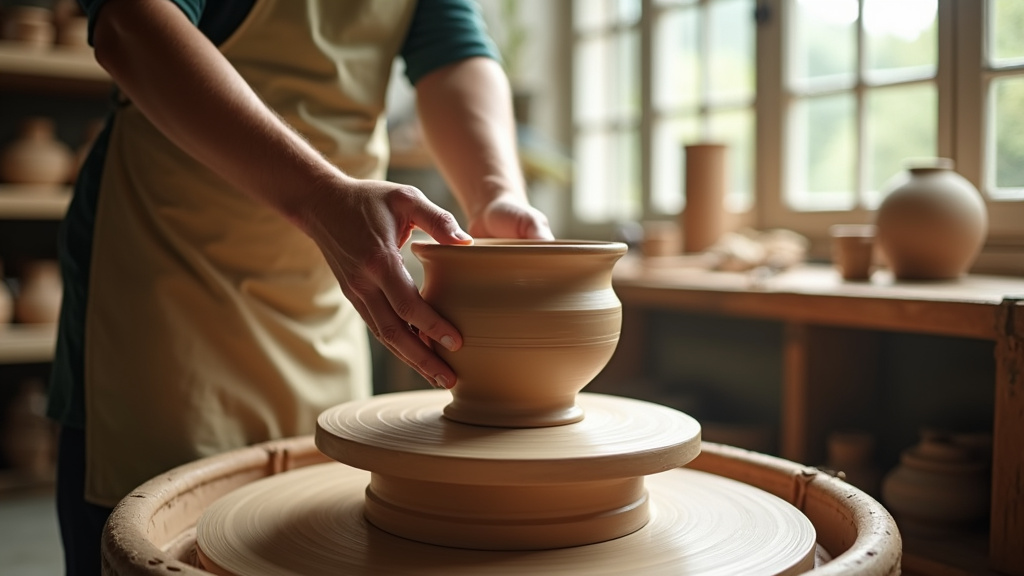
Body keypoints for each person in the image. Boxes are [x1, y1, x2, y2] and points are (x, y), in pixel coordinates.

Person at [45, 0, 553, 573]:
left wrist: (492, 196)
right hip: (170, 277)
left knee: (322, 522)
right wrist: (317, 198)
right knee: (157, 537)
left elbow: (454, 49)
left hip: (331, 280)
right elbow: (129, 24)